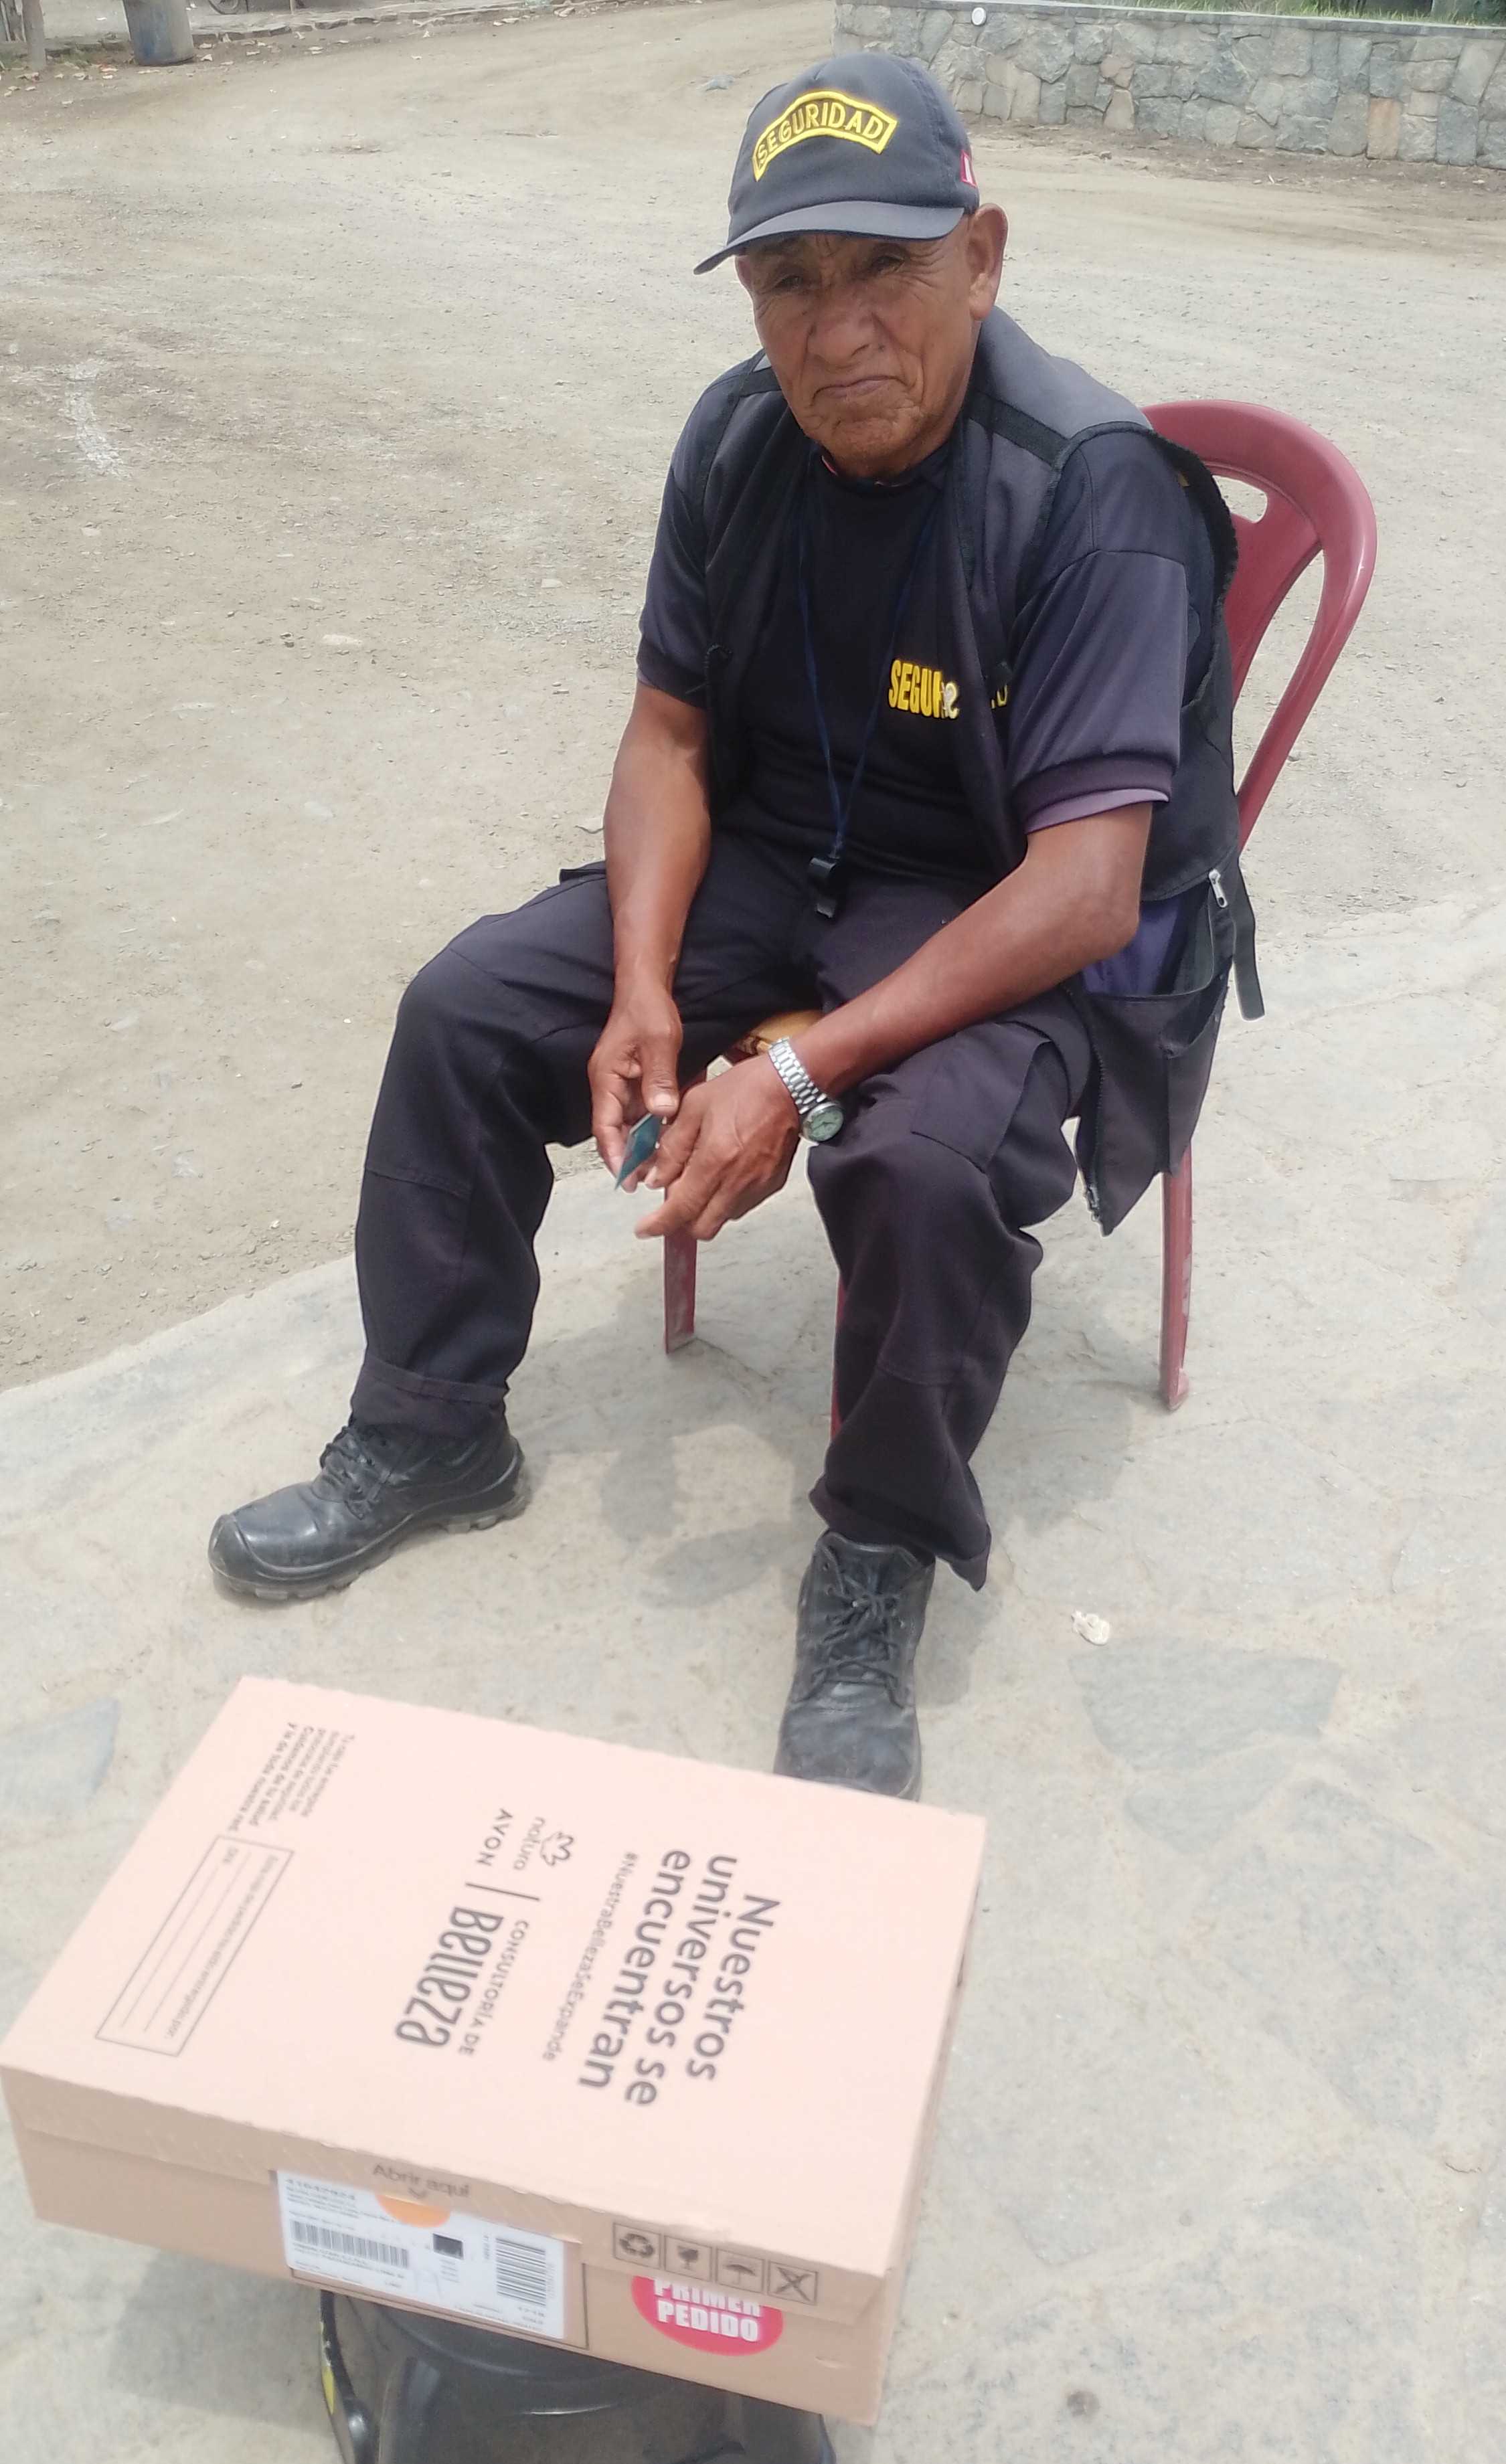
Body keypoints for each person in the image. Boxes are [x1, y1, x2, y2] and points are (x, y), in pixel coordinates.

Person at [210, 51, 1259, 1801]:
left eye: (885, 269)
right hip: (793, 861)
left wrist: (798, 1071)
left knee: (917, 1167)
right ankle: (430, 1427)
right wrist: (639, 983)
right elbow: (669, 737)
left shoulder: (1092, 490)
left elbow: (1085, 885)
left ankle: (880, 1550)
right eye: (788, 281)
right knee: (471, 1006)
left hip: (1013, 916)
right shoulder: (738, 439)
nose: (837, 331)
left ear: (981, 258)